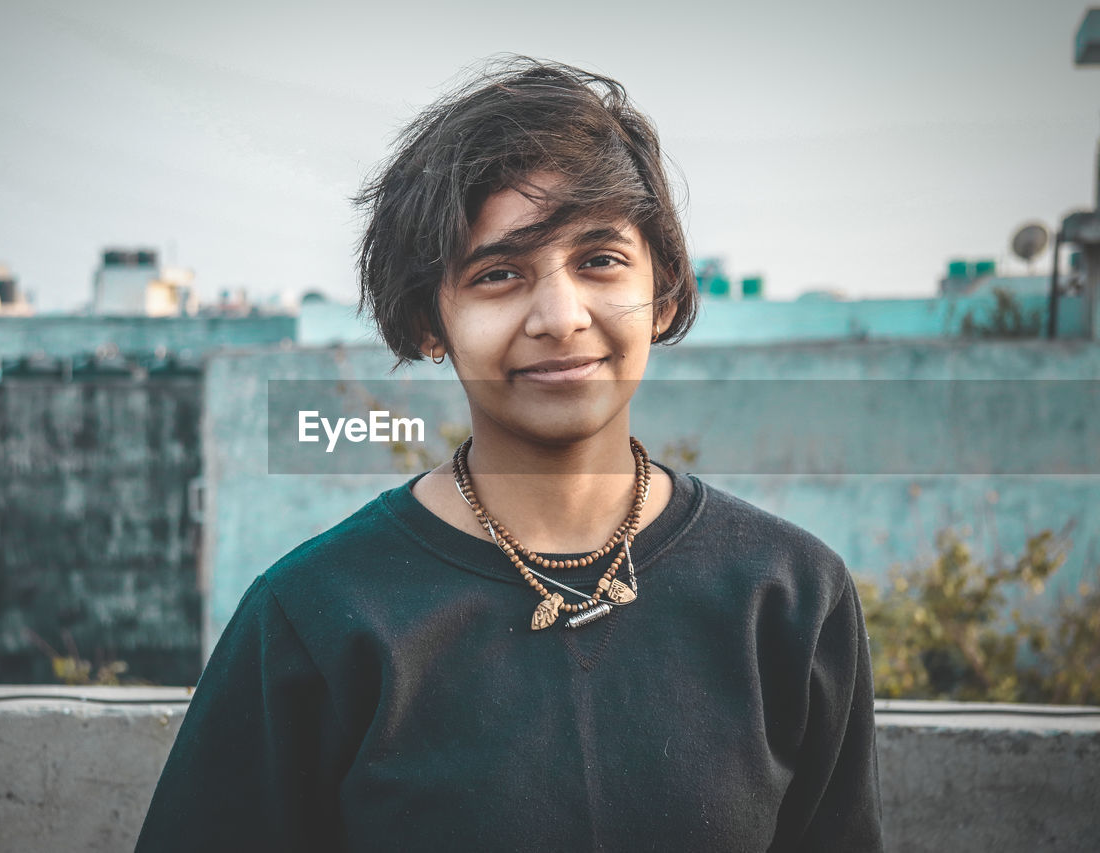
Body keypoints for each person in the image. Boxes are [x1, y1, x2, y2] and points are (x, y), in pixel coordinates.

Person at [136, 59, 883, 852]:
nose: (561, 316)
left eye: (600, 260)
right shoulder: (317, 620)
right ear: (429, 321)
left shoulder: (791, 598)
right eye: (499, 273)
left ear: (662, 292)